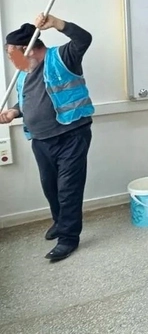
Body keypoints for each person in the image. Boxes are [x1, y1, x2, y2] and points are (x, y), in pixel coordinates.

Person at [0, 13, 95, 261]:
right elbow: (28, 100)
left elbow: (84, 39)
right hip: (41, 139)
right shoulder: (24, 71)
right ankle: (60, 221)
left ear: (28, 49)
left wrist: (58, 24)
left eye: (12, 54)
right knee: (50, 186)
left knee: (68, 189)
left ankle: (68, 238)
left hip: (71, 136)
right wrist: (14, 111)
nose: (11, 59)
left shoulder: (63, 58)